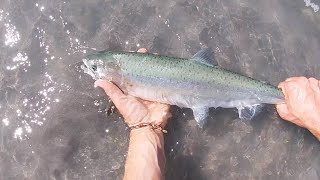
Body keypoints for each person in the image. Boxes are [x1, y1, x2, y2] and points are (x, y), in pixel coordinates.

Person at [94, 48, 320, 180]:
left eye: (95, 68)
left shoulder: (127, 80)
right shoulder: (125, 76)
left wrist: (313, 115)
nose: (93, 71)